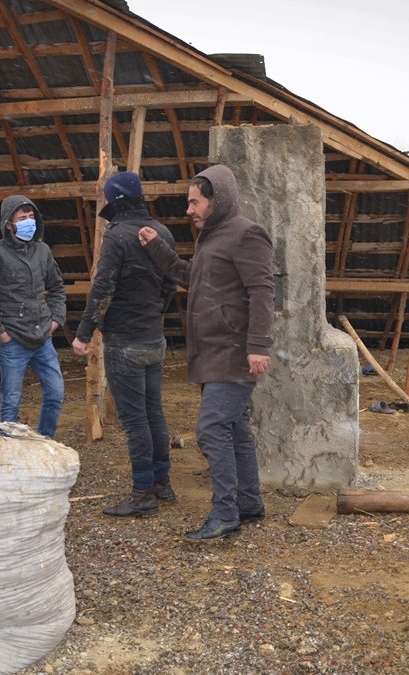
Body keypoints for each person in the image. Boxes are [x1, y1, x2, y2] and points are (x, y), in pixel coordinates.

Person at [137, 165, 274, 541]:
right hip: (214, 352)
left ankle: (225, 514)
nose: (189, 210)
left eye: (194, 202)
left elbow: (262, 291)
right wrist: (158, 250)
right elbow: (190, 277)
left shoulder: (247, 234)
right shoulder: (212, 238)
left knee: (212, 430)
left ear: (217, 199)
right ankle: (249, 504)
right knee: (235, 429)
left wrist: (259, 346)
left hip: (233, 352)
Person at [72, 172, 178, 517]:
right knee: (154, 412)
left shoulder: (116, 237)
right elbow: (170, 285)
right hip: (153, 338)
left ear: (114, 200)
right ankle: (162, 484)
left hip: (124, 342)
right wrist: (153, 315)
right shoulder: (162, 233)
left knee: (135, 422)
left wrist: (84, 333)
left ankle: (142, 493)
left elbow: (103, 288)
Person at [0, 195, 66, 437]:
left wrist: (55, 321)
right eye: (22, 218)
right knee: (11, 402)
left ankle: (45, 440)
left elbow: (56, 288)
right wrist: (1, 333)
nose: (29, 222)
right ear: (9, 224)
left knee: (56, 393)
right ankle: (9, 451)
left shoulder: (42, 251)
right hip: (13, 340)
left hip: (43, 336)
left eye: (31, 217)